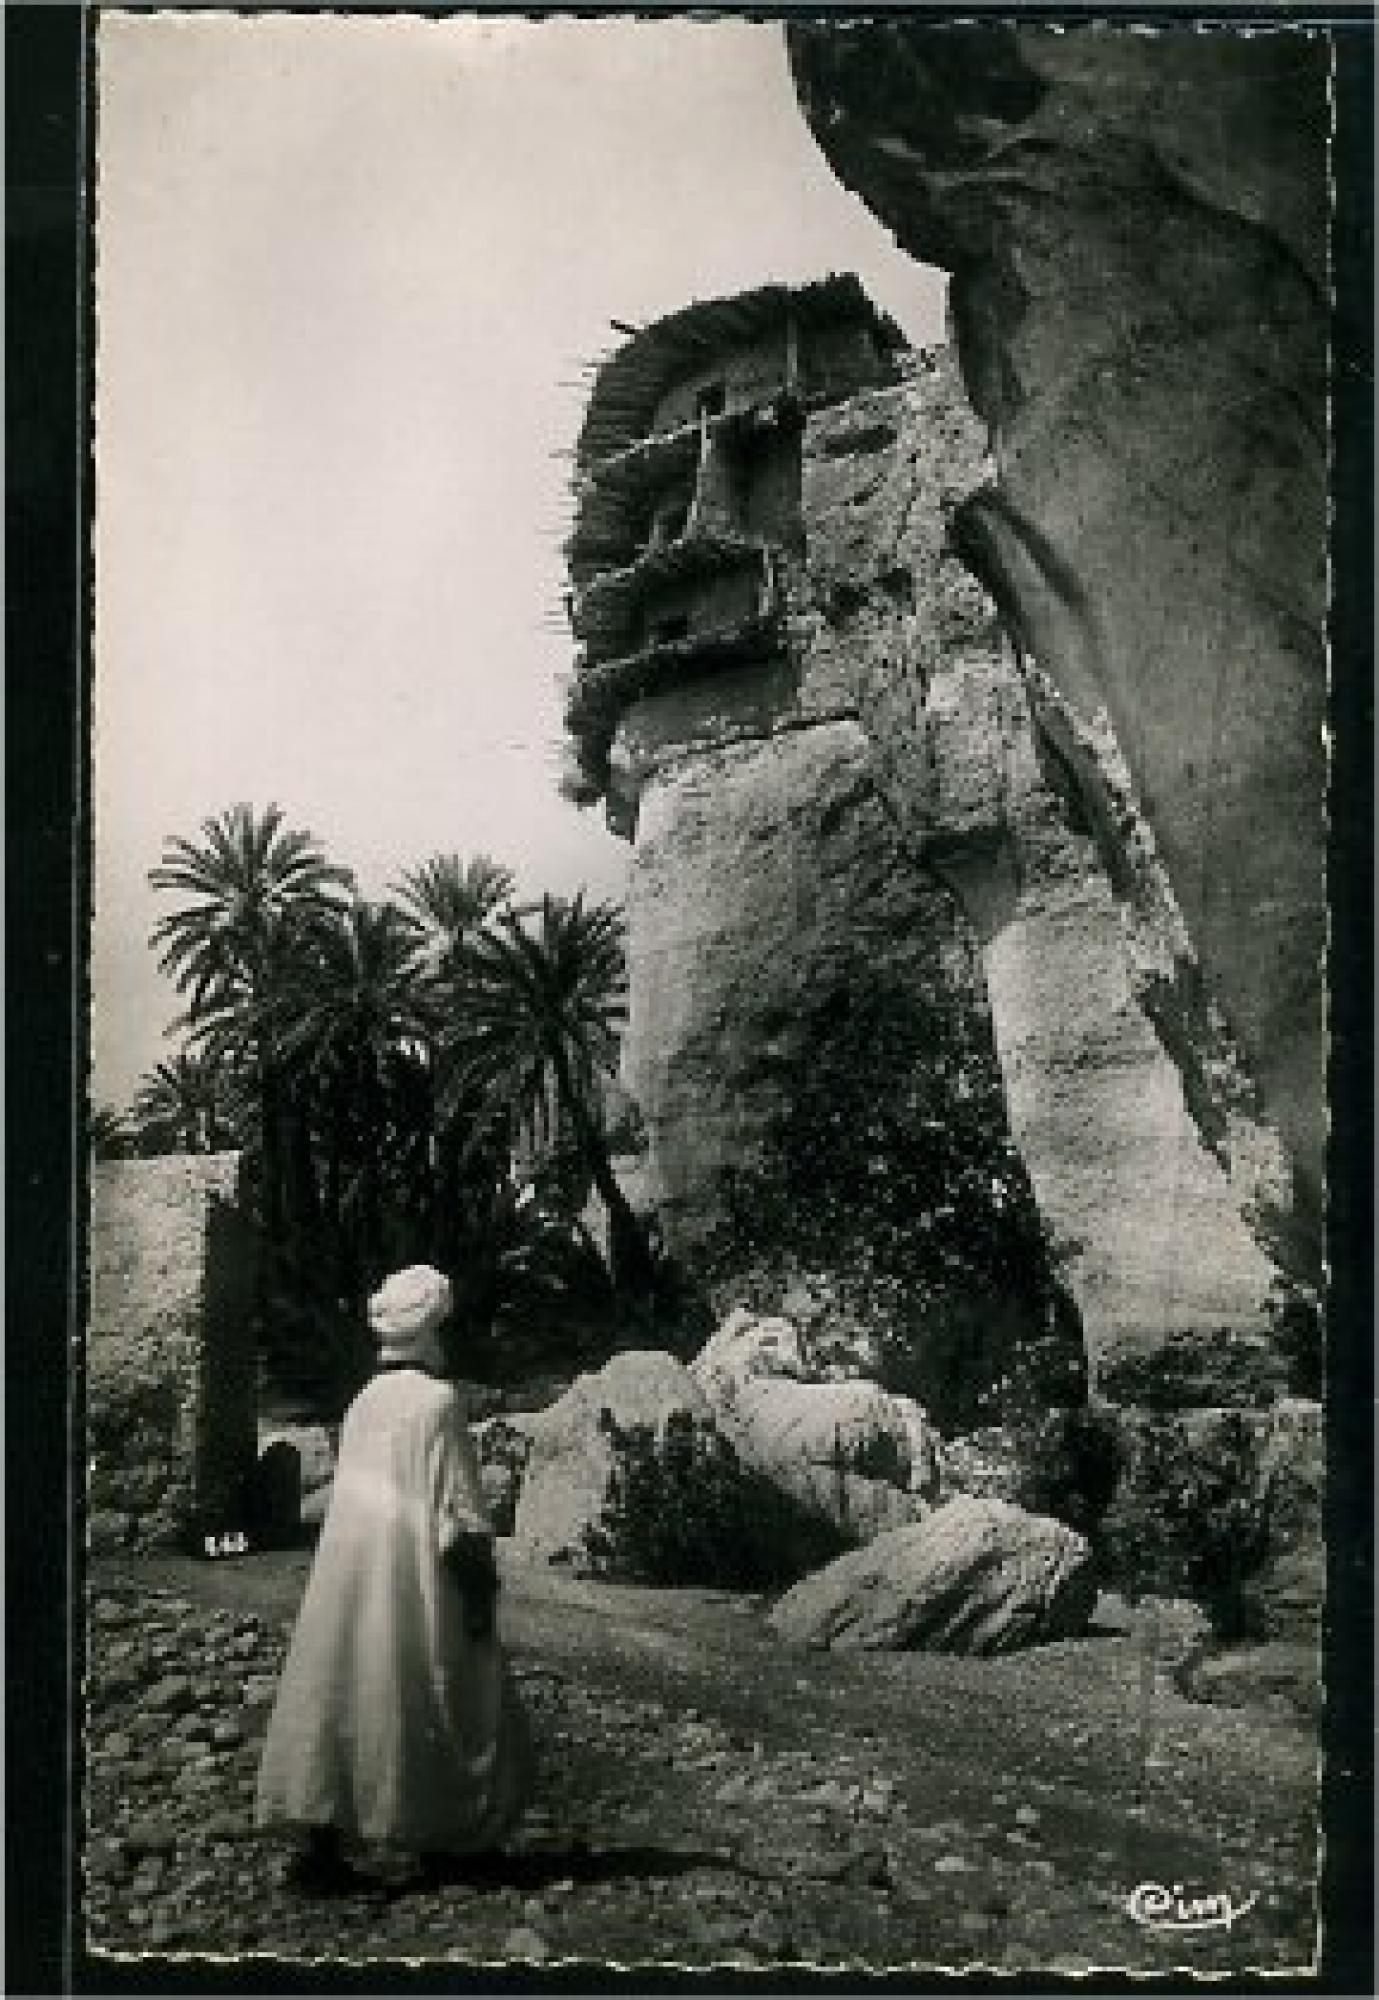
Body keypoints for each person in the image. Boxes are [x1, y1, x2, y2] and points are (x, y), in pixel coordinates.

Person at [254, 1265, 531, 1891]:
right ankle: (443, 1830)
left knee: (351, 1683)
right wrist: (480, 1589)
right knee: (444, 1684)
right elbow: (458, 1506)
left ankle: (326, 1832)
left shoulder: (364, 1403)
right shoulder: (438, 1403)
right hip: (420, 1570)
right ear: (433, 1329)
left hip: (355, 1568)